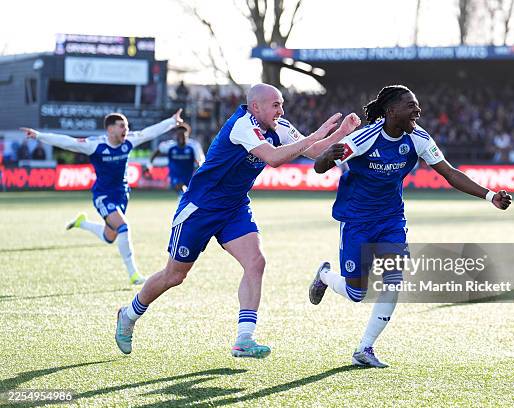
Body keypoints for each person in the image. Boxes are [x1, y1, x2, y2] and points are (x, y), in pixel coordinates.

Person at [115, 83, 361, 358]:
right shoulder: (242, 125)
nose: (281, 110)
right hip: (201, 207)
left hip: (234, 207)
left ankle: (244, 339)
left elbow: (313, 152)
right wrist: (315, 134)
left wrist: (340, 133)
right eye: (276, 105)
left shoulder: (279, 125)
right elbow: (274, 158)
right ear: (256, 107)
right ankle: (129, 314)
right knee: (175, 275)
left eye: (281, 104)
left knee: (256, 262)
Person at [309, 85, 512, 368]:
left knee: (394, 280)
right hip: (357, 221)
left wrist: (490, 196)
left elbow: (450, 173)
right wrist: (327, 156)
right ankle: (326, 275)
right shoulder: (366, 138)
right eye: (410, 105)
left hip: (391, 220)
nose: (417, 110)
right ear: (391, 112)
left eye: (416, 105)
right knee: (357, 293)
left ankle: (365, 348)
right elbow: (320, 167)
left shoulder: (418, 138)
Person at [21, 109, 184, 285]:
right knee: (123, 227)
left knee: (109, 237)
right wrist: (38, 135)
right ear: (110, 129)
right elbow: (67, 142)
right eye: (122, 126)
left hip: (122, 194)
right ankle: (134, 275)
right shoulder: (95, 145)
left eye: (127, 127)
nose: (126, 130)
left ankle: (82, 223)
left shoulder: (128, 141)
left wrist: (171, 121)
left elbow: (148, 133)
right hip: (103, 195)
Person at [147, 123, 204, 198]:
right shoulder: (169, 146)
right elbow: (156, 152)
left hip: (189, 177)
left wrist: (199, 165)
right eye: (179, 135)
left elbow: (201, 160)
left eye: (183, 135)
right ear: (175, 135)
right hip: (175, 176)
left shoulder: (194, 146)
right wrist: (149, 165)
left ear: (187, 135)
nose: (181, 137)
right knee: (182, 189)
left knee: (189, 195)